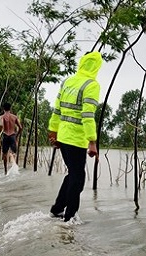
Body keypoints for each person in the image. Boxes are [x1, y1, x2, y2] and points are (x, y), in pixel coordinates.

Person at [47, 51, 102, 222]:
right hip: (76, 139)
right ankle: (70, 217)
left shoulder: (67, 81)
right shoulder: (91, 85)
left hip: (63, 137)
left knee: (73, 175)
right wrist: (92, 141)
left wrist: (53, 131)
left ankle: (57, 209)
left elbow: (57, 109)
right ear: (97, 67)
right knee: (78, 178)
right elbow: (87, 115)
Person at [0, 102, 23, 174]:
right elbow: (20, 128)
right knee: (13, 152)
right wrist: (16, 136)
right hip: (12, 136)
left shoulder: (2, 117)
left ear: (3, 109)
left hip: (5, 136)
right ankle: (15, 168)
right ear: (10, 108)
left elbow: (1, 125)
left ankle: (5, 172)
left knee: (4, 154)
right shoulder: (14, 117)